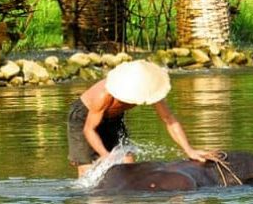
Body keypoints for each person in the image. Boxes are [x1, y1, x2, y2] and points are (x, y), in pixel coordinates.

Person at [67, 59, 218, 177]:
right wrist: (106, 155)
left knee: (127, 162)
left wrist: (189, 150)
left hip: (113, 118)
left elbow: (169, 119)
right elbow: (89, 129)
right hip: (85, 117)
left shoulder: (150, 89)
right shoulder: (104, 95)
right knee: (87, 170)